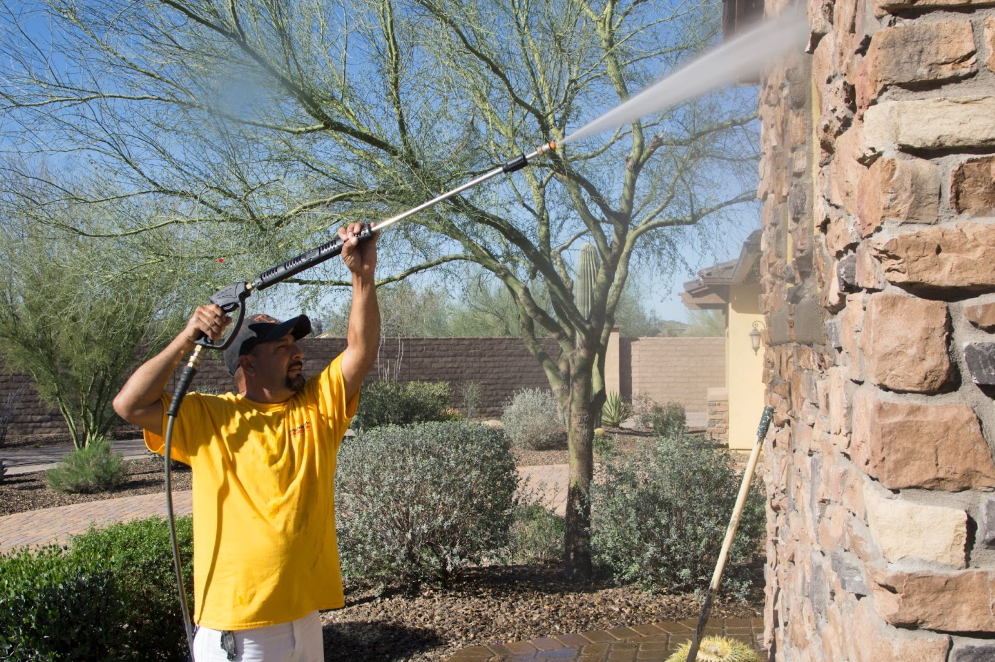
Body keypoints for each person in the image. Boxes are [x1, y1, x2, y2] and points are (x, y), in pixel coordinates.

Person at [113, 223, 379, 662]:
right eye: (281, 347)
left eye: (295, 344)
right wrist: (187, 337)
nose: (297, 353)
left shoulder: (317, 406)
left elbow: (360, 351)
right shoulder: (209, 417)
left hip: (306, 618)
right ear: (247, 366)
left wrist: (362, 276)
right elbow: (129, 403)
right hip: (239, 630)